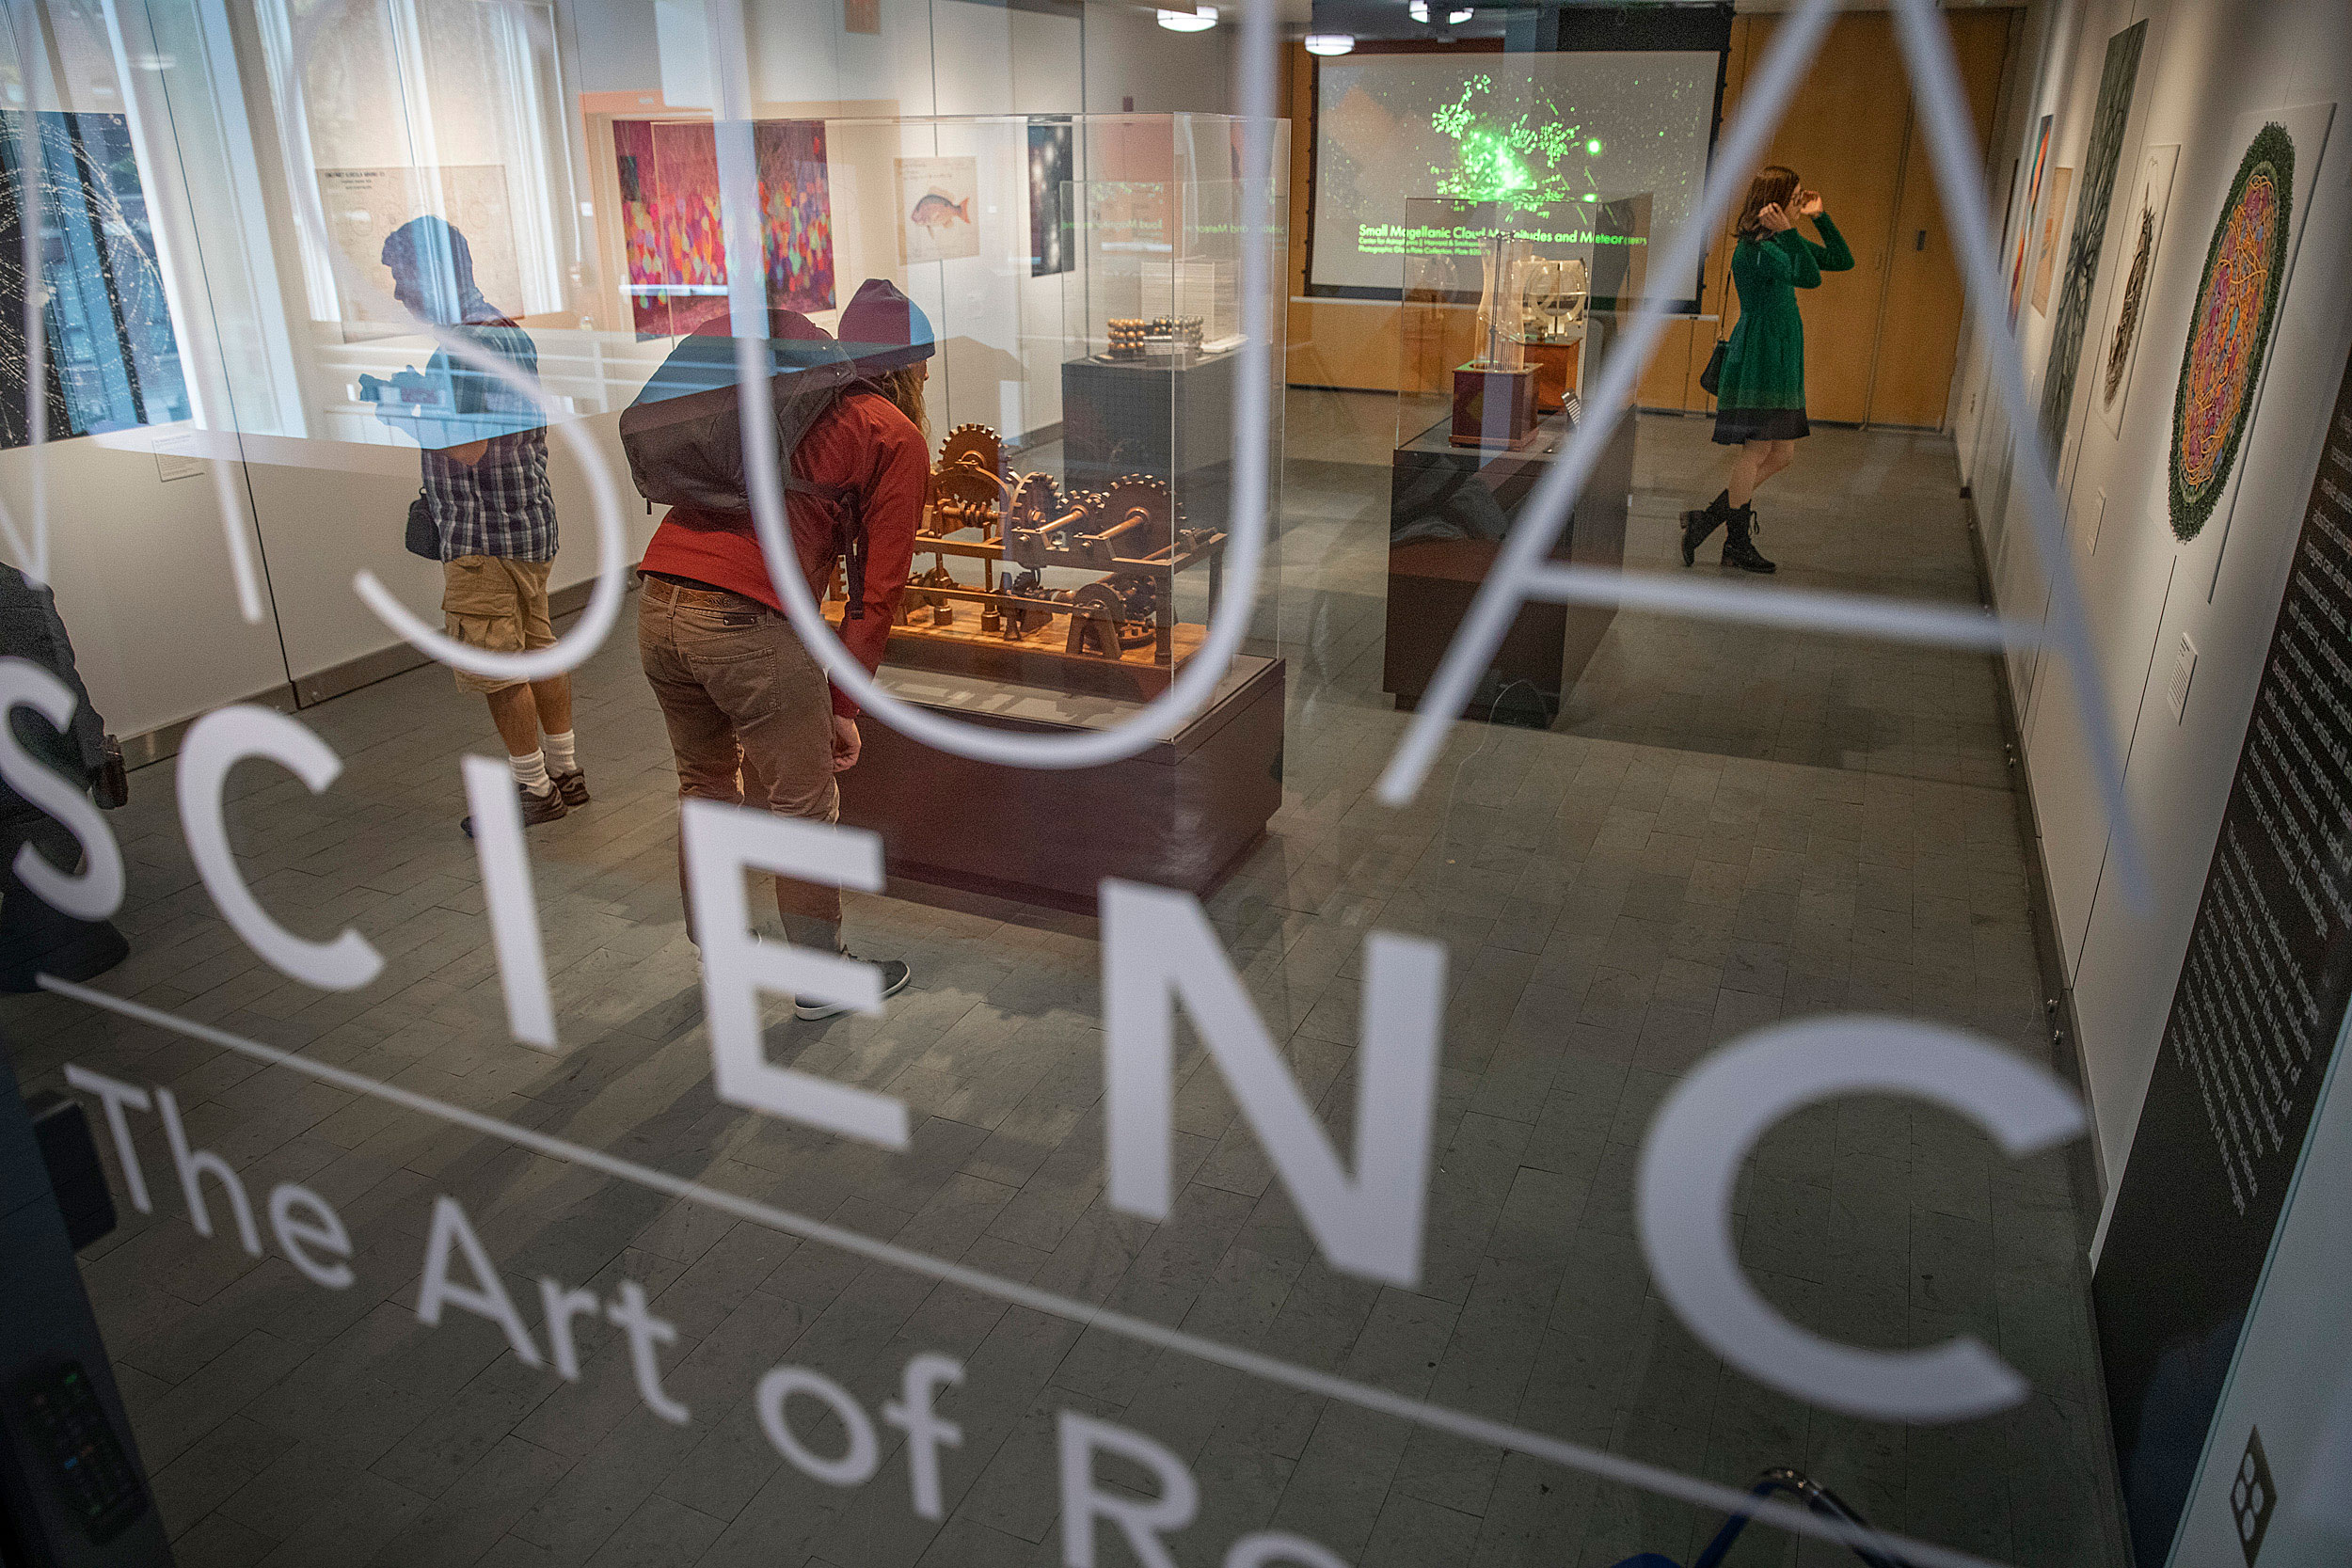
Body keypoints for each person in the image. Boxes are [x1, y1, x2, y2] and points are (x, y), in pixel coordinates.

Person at [634, 278, 930, 1020]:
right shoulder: (891, 432)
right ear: (911, 366)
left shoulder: (772, 390)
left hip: (659, 596)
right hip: (745, 622)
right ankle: (821, 980)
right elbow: (878, 594)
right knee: (803, 804)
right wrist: (842, 705)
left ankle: (719, 952)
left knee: (704, 784)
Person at [375, 215, 586, 833]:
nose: (398, 294)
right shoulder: (508, 331)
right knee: (540, 649)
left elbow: (465, 447)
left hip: (482, 538)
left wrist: (402, 409)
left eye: (402, 278)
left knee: (499, 666)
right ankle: (567, 772)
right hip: (528, 525)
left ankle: (533, 788)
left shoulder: (459, 350)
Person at [1683, 166, 1853, 574]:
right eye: (1794, 199)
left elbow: (1841, 261)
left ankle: (1708, 519)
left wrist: (1819, 216)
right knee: (1758, 450)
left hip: (1779, 353)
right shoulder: (1759, 249)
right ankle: (1735, 544)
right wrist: (1795, 233)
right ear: (1773, 203)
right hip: (1761, 355)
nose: (1799, 204)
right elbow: (1810, 279)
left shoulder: (1778, 243)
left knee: (1783, 453)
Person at [0, 564, 130, 991]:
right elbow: (68, 682)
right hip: (57, 783)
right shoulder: (24, 587)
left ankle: (49, 936)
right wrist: (92, 758)